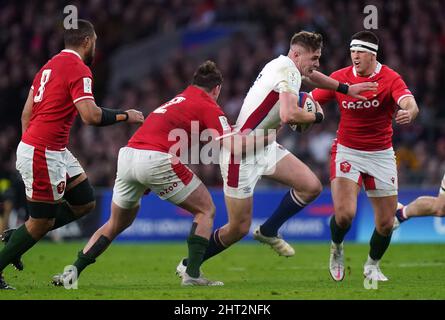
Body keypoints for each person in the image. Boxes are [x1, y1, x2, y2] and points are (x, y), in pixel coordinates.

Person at [175, 31, 377, 279]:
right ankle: (189, 264)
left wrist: (345, 88)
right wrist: (317, 116)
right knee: (237, 228)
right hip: (242, 154)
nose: (316, 63)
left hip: (264, 146)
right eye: (314, 57)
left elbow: (313, 76)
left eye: (318, 57)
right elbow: (288, 115)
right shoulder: (288, 72)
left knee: (311, 186)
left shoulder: (286, 65)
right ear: (297, 53)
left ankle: (269, 230)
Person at [51, 60, 250, 287]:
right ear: (217, 89)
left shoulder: (179, 98)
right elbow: (229, 144)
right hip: (155, 158)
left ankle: (72, 272)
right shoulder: (209, 105)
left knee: (115, 223)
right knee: (206, 209)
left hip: (128, 156)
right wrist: (262, 139)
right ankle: (192, 274)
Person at [0, 19, 144, 290]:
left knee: (84, 202)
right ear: (87, 41)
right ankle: (11, 250)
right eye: (96, 42)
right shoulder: (79, 69)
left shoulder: (48, 66)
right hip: (43, 150)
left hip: (49, 148)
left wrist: (31, 143)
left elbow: (26, 113)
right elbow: (90, 116)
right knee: (41, 222)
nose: (96, 48)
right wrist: (127, 115)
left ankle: (20, 236)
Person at [310, 31, 419, 282]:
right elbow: (313, 100)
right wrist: (307, 111)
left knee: (384, 223)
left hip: (381, 154)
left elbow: (410, 103)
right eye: (352, 51)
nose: (355, 56)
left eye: (360, 51)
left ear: (372, 54)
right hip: (347, 150)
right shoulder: (340, 78)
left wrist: (409, 113)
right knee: (345, 215)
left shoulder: (390, 79)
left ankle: (372, 265)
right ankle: (336, 247)